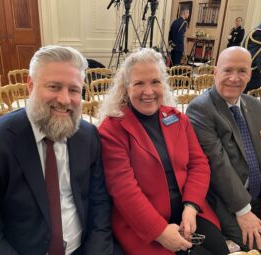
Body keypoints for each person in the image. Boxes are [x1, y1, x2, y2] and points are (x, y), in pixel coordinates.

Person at [98, 48, 229, 255]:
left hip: (188, 211)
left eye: (155, 82)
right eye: (139, 83)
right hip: (144, 223)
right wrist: (159, 232)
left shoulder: (178, 118)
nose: (148, 91)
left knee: (219, 250)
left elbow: (199, 164)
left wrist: (191, 207)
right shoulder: (113, 128)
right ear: (126, 88)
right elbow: (123, 189)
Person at [0, 45, 113, 255]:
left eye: (74, 90)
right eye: (54, 87)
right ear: (30, 86)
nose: (64, 100)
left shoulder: (88, 136)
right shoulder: (1, 140)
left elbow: (100, 206)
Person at [186, 46, 261, 255]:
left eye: (242, 71)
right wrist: (243, 211)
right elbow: (219, 166)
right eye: (228, 70)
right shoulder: (201, 109)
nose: (234, 78)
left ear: (250, 75)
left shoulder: (254, 105)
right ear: (215, 73)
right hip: (227, 201)